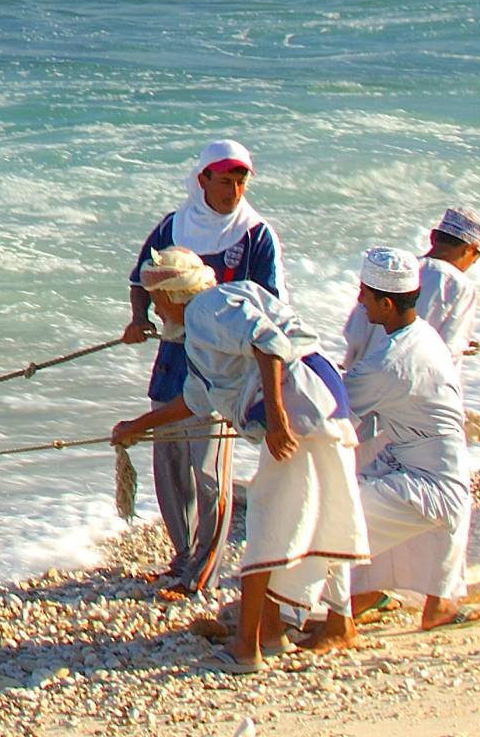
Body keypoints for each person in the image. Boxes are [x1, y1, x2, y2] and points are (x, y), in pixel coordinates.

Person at [111, 248, 367, 670]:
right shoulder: (200, 330)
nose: (154, 308)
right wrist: (137, 426)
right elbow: (196, 401)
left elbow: (267, 342)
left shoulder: (207, 308)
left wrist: (279, 421)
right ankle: (324, 625)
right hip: (323, 405)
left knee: (269, 520)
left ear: (173, 294)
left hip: (298, 411)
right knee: (327, 513)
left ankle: (248, 648)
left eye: (155, 299)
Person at [121, 140, 281, 603]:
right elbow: (141, 278)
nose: (232, 189)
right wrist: (139, 319)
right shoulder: (175, 225)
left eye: (240, 180)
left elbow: (268, 304)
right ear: (202, 180)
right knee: (169, 461)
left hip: (223, 361)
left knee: (209, 468)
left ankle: (203, 574)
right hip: (173, 353)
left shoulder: (255, 234)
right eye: (224, 179)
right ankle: (182, 558)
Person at [341, 246, 477, 631]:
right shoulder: (422, 335)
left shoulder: (390, 362)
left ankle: (315, 612)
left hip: (430, 482)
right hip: (430, 465)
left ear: (385, 303)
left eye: (365, 295)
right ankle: (430, 604)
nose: (360, 302)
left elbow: (331, 410)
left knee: (332, 518)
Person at [419, 206, 480, 360]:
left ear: (432, 237)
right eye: (475, 260)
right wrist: (462, 345)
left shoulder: (396, 268)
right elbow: (448, 348)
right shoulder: (458, 285)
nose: (470, 265)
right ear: (470, 249)